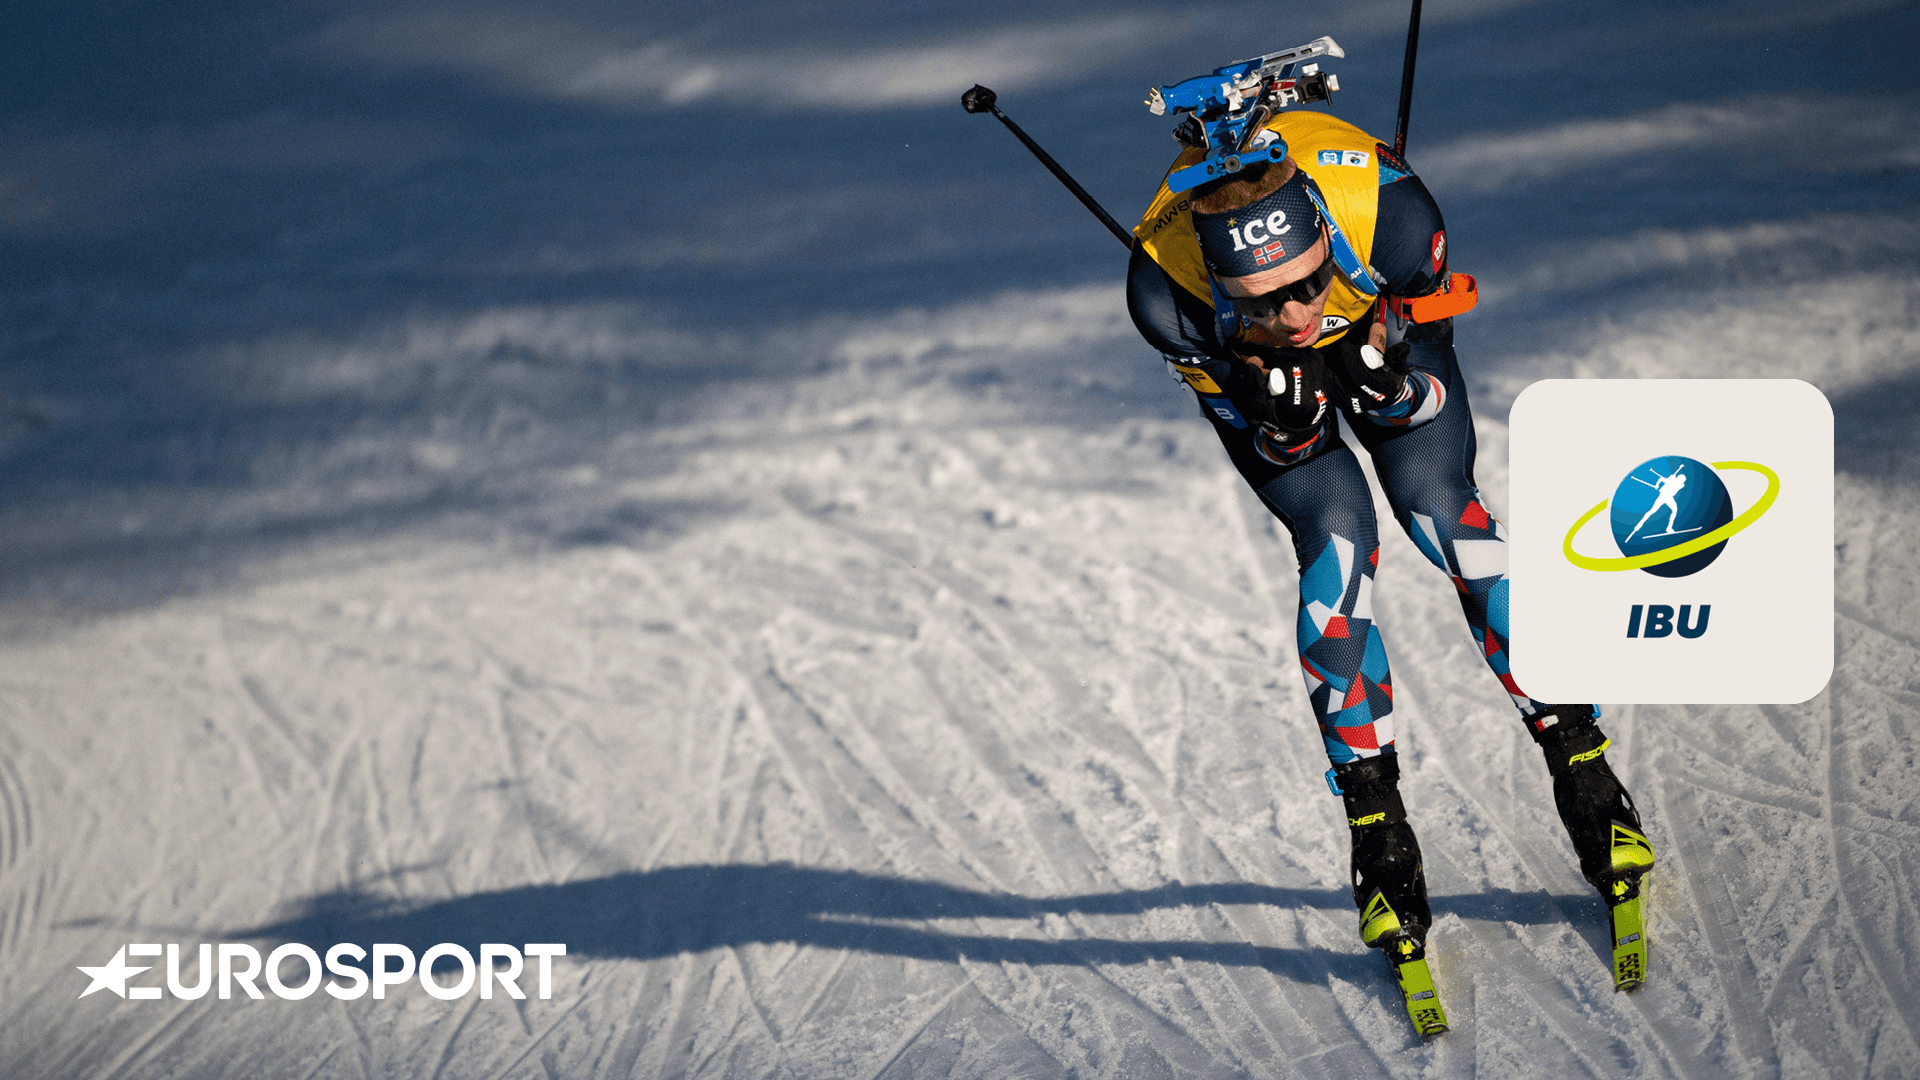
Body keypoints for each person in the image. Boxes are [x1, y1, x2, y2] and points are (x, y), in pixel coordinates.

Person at [1125, 110, 1655, 964]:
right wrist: (1284, 427)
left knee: (1443, 510)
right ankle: (1378, 836)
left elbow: (1431, 364)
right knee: (1335, 542)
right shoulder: (1165, 291)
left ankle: (1586, 771)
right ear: (1219, 284)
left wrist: (1394, 390)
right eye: (1261, 300)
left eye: (1307, 284)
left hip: (1381, 323)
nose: (1295, 314)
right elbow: (1259, 438)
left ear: (1325, 239)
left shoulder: (1389, 214)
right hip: (1260, 372)